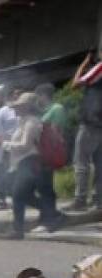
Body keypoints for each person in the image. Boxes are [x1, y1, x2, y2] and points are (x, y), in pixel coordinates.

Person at [0, 93, 51, 240]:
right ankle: (52, 213)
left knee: (18, 195)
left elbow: (25, 145)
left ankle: (18, 230)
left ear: (27, 107)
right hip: (21, 162)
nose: (15, 109)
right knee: (23, 195)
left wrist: (3, 144)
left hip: (29, 161)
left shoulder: (31, 122)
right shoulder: (24, 121)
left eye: (18, 106)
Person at [65, 49, 102, 212]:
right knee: (100, 165)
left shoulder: (100, 68)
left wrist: (85, 63)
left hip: (91, 122)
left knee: (81, 162)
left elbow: (75, 84)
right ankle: (98, 201)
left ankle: (80, 200)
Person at [32, 83, 67, 231]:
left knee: (46, 187)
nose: (36, 100)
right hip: (40, 154)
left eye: (37, 96)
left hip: (49, 153)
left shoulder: (56, 109)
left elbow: (56, 132)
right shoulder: (43, 111)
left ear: (43, 95)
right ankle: (46, 216)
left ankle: (50, 219)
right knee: (42, 186)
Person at [0, 89, 21, 209]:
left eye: (20, 95)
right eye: (17, 95)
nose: (19, 97)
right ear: (11, 97)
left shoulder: (24, 111)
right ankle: (0, 197)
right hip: (6, 146)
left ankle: (16, 197)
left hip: (20, 146)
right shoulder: (3, 111)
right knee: (2, 172)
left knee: (18, 173)